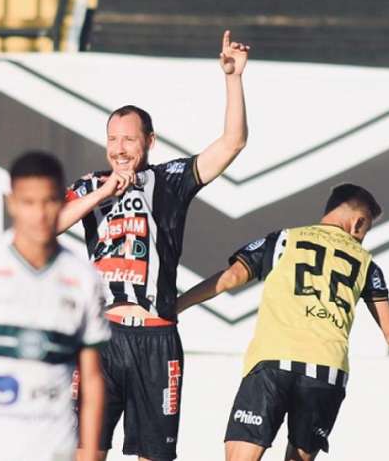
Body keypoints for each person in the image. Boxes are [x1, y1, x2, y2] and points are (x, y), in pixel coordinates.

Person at [61, 30, 251, 460]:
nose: (119, 148)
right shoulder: (91, 186)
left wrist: (233, 80)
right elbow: (48, 225)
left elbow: (231, 143)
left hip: (157, 338)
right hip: (102, 338)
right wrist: (101, 193)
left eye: (129, 139)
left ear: (150, 142)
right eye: (112, 139)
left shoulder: (168, 180)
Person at [176, 184, 389, 461]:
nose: (361, 239)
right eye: (365, 231)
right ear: (358, 222)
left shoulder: (284, 240)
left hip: (272, 362)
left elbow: (230, 278)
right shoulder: (366, 264)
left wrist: (176, 307)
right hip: (325, 372)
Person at [0, 151, 110, 461]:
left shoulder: (82, 277)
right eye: (29, 203)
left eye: (50, 201)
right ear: (11, 202)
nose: (40, 215)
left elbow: (93, 379)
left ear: (62, 201)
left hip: (54, 451)